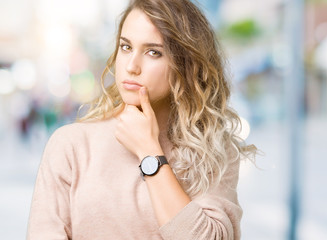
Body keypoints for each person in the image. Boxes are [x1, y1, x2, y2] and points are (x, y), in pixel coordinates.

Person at [27, 0, 256, 239]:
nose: (132, 66)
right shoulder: (70, 145)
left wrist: (150, 153)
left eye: (153, 52)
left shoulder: (214, 151)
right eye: (126, 47)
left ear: (186, 64)